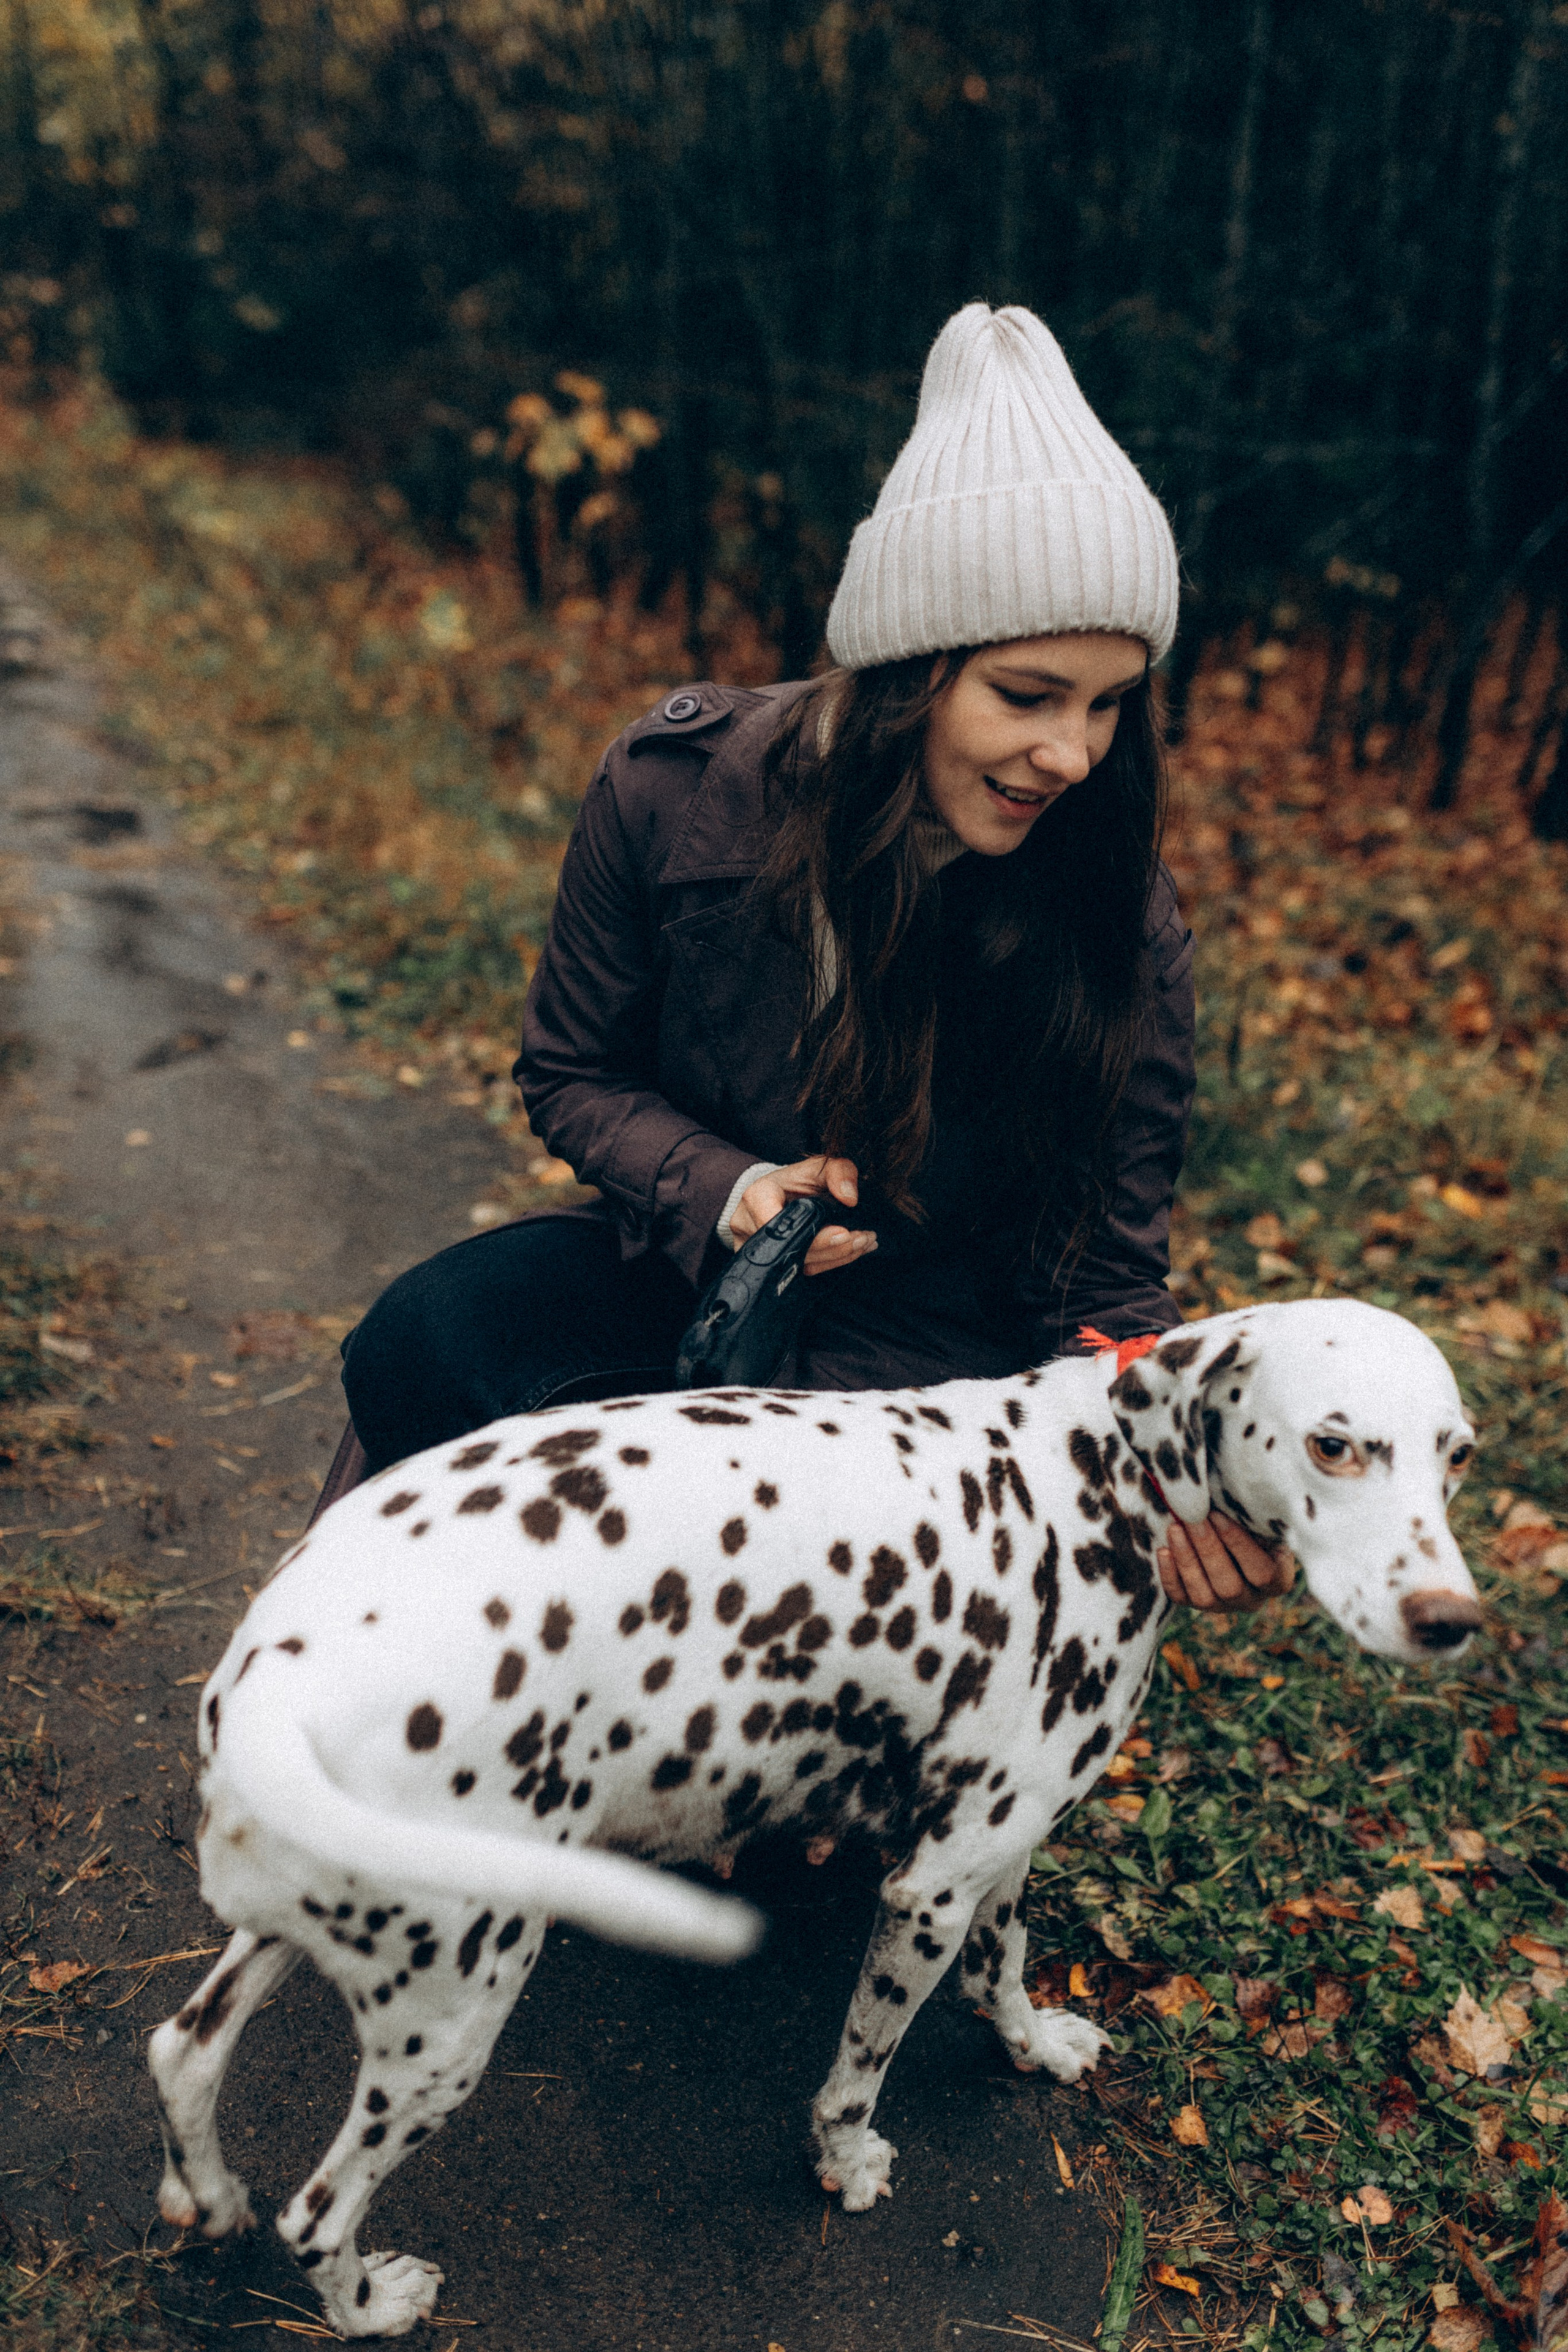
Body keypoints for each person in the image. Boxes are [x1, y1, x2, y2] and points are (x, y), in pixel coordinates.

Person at [337, 304, 1292, 1618]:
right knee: (429, 1340)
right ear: (909, 669)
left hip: (926, 1367)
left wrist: (1168, 1458)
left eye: (1108, 704)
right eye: (1026, 696)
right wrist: (724, 1190)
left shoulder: (1115, 915)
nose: (1071, 756)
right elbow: (570, 1071)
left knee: (729, 1577)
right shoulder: (675, 798)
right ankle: (373, 1711)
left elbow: (1104, 1269)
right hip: (690, 1286)